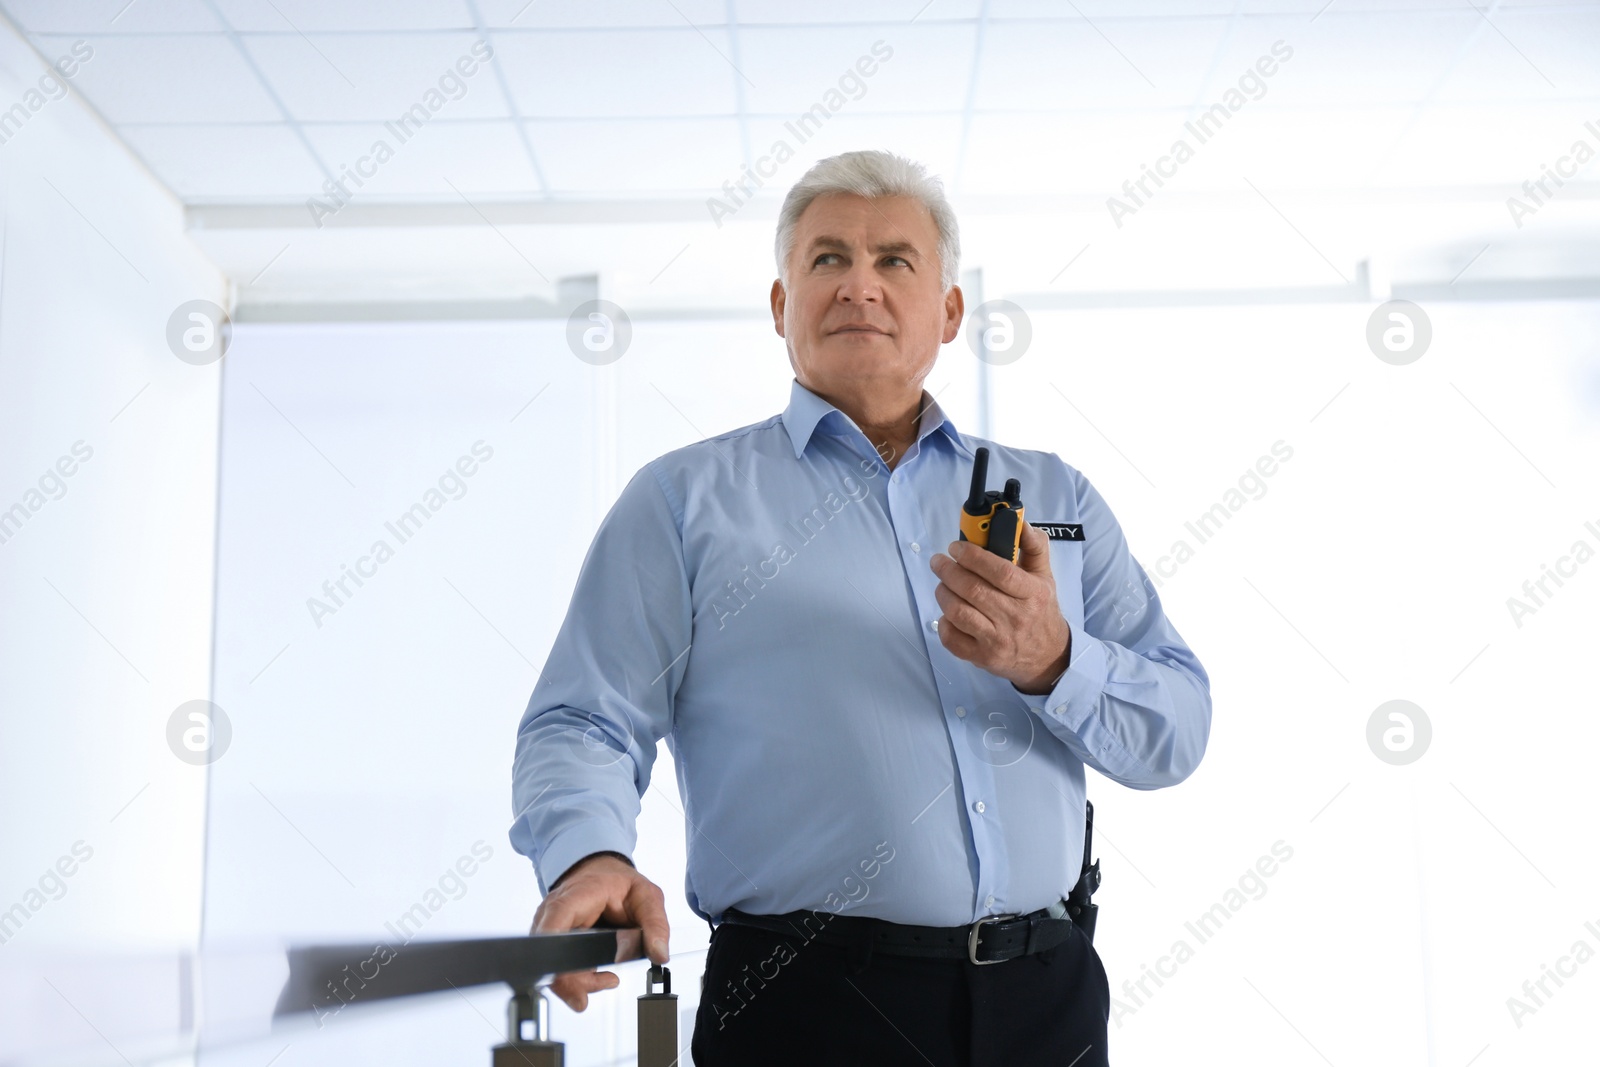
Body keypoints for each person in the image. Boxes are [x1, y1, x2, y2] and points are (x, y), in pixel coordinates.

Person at [510, 149, 1211, 1066]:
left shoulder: (1054, 496)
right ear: (780, 305)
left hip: (1048, 1000)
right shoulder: (683, 503)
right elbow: (583, 716)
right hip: (804, 1008)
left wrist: (1054, 661)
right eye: (828, 259)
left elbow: (1179, 727)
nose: (860, 287)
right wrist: (587, 854)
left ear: (949, 311)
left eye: (895, 262)